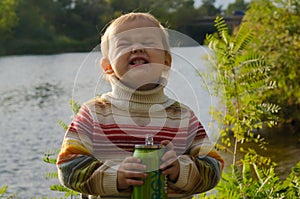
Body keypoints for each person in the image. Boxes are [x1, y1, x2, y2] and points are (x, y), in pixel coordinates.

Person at [56, 12, 224, 199]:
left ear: (166, 62)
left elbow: (213, 167)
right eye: (124, 44)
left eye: (148, 42)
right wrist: (116, 176)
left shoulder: (183, 117)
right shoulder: (94, 114)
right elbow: (68, 167)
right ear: (108, 66)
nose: (137, 48)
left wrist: (180, 170)